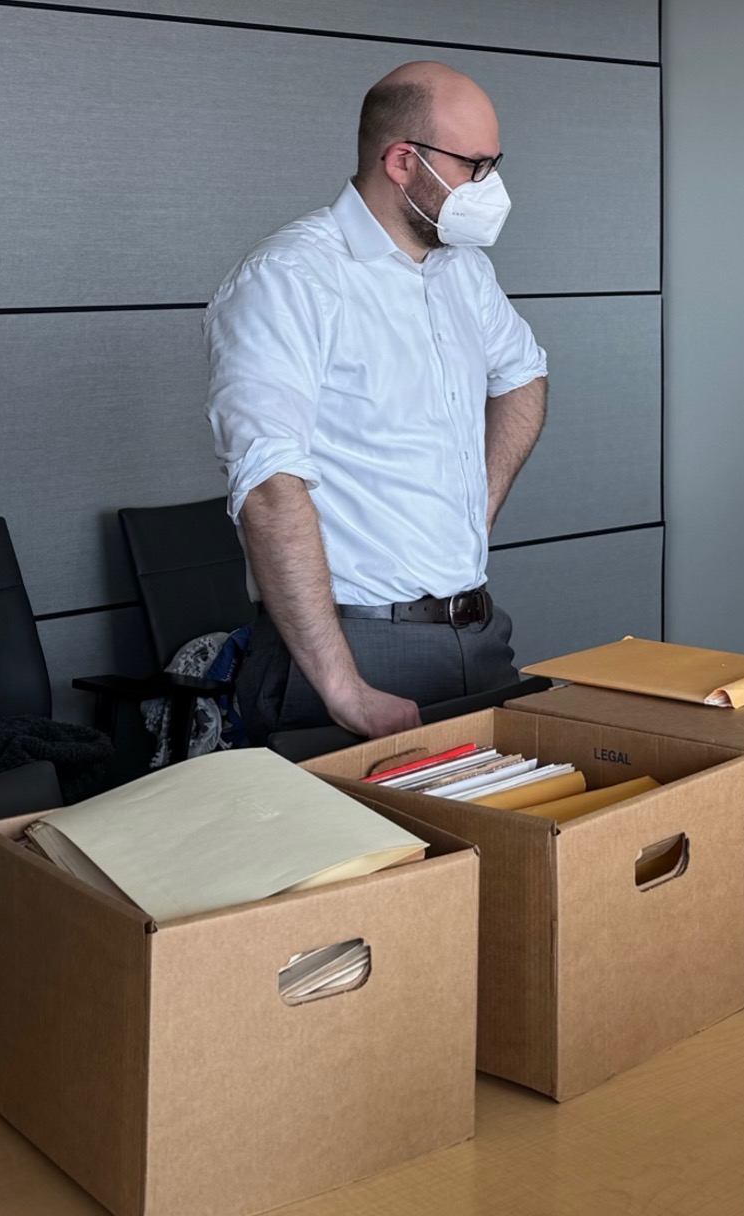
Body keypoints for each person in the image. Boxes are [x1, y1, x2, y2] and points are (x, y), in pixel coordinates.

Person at [206, 62, 548, 743]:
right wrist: (342, 688)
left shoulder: (463, 271)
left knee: (494, 849)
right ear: (401, 161)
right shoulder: (289, 279)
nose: (492, 187)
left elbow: (523, 375)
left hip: (477, 635)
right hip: (353, 647)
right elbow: (269, 488)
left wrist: (477, 505)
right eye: (476, 165)